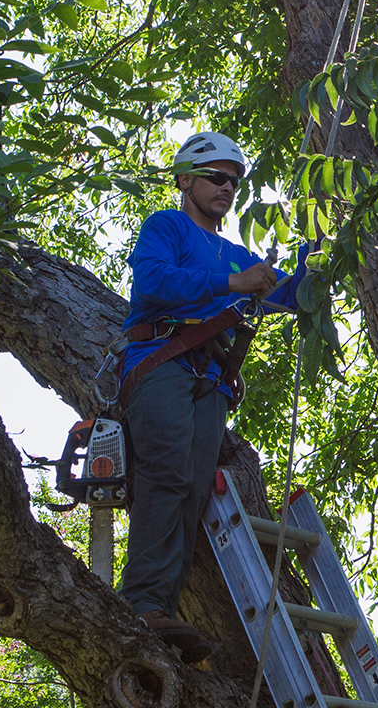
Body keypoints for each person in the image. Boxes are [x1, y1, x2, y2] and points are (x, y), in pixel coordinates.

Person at [118, 131, 309, 664]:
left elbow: (295, 295)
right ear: (185, 179)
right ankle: (142, 603)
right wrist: (232, 283)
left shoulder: (236, 255)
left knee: (194, 490)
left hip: (210, 382)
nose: (227, 187)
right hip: (160, 362)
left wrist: (316, 252)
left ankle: (162, 610)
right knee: (166, 474)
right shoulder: (168, 226)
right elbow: (151, 282)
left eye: (234, 181)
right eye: (216, 177)